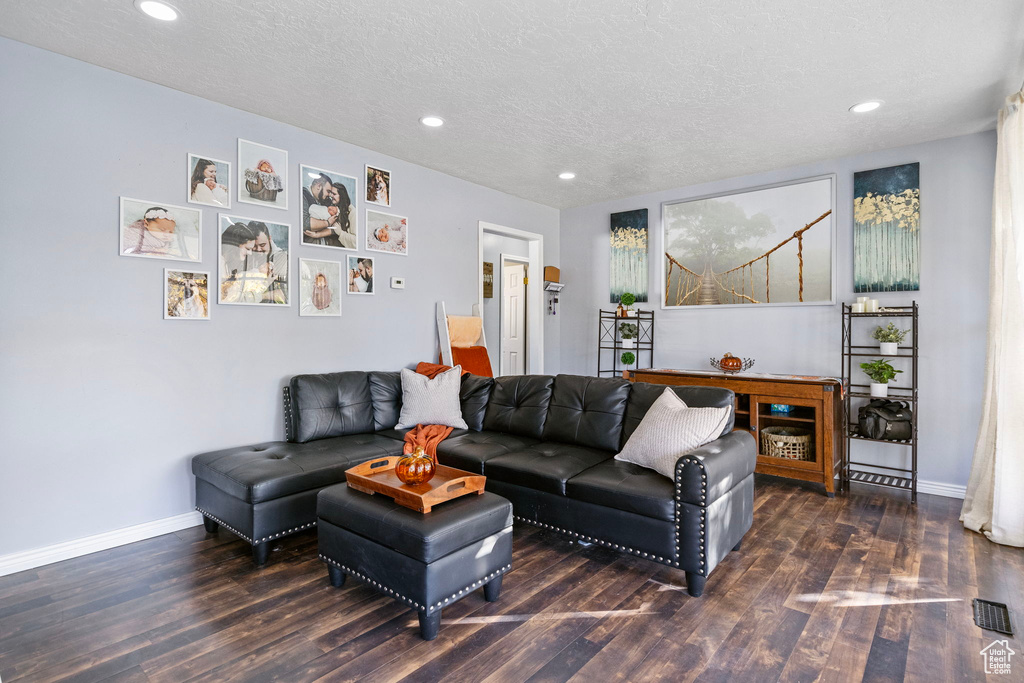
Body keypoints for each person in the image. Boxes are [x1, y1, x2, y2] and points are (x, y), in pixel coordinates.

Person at [248, 221, 289, 304]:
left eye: (262, 245)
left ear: (269, 239)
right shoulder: (247, 257)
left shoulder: (283, 259)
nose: (258, 250)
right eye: (254, 246)